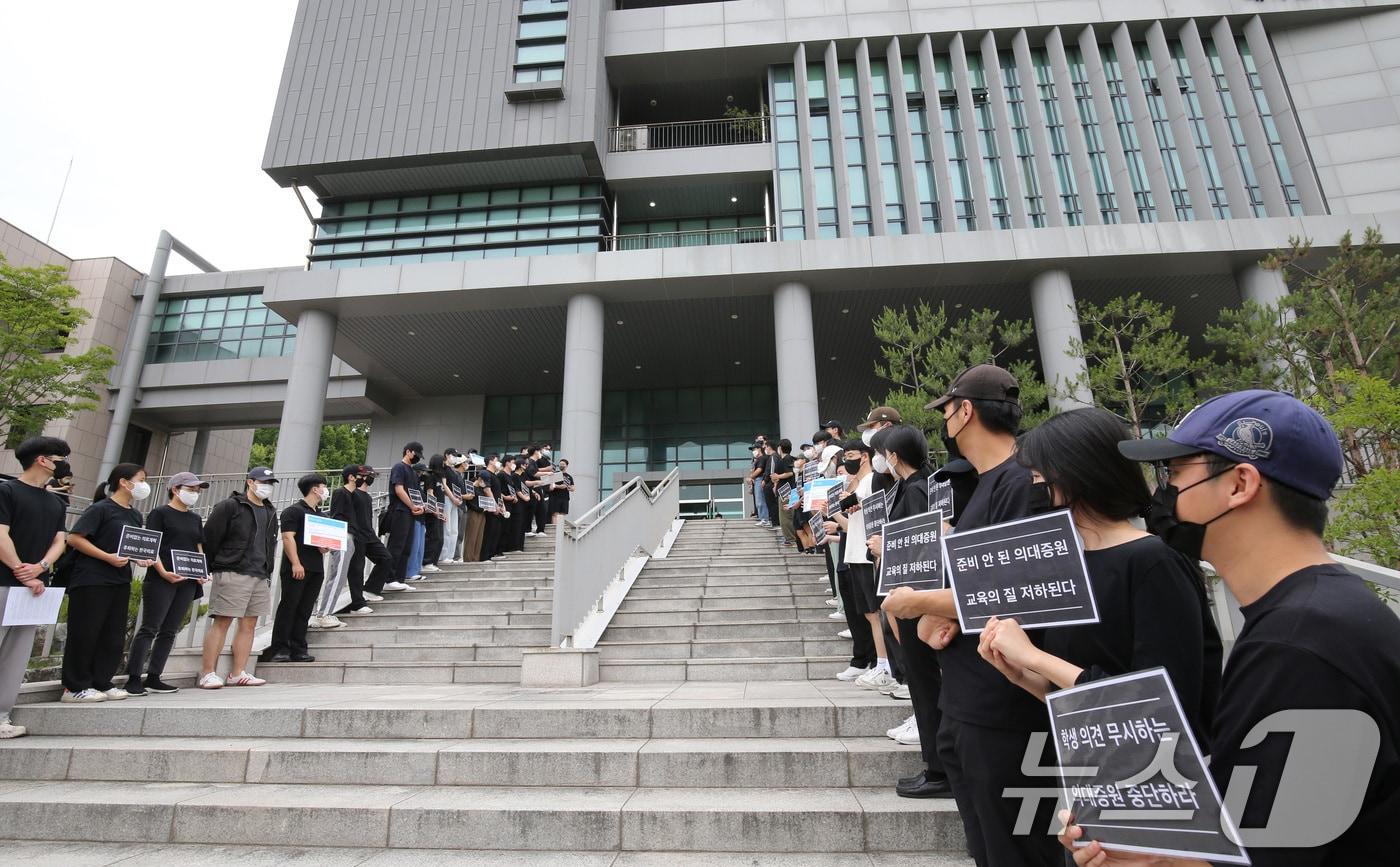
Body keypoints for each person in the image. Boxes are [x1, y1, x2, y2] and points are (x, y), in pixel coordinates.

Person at [1058, 390, 1400, 866]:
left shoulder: (1298, 647)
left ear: (1240, 484)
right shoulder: (1320, 616)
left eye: (1175, 473)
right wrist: (1149, 853)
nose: (1162, 493)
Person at [880, 364, 1061, 863]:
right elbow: (979, 584)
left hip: (1005, 703)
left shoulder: (1024, 484)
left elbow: (1017, 588)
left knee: (1018, 846)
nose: (944, 423)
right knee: (985, 840)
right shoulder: (986, 484)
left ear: (965, 411)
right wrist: (948, 613)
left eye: (946, 411)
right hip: (965, 697)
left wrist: (918, 604)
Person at [975, 408, 1221, 749]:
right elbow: (1083, 703)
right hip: (1094, 773)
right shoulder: (1071, 564)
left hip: (1157, 781)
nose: (1031, 489)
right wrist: (1021, 675)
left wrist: (1035, 658)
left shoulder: (1154, 562)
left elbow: (1159, 704)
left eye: (1035, 478)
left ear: (1072, 475)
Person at [863, 425, 952, 799]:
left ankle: (939, 769)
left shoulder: (916, 489)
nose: (879, 459)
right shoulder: (917, 486)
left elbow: (921, 546)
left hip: (917, 598)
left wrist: (886, 548)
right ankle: (936, 765)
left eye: (882, 452)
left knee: (924, 678)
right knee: (922, 678)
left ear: (894, 456)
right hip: (915, 597)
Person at [62, 462, 156, 703]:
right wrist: (106, 557)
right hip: (92, 578)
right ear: (124, 482)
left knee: (112, 635)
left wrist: (139, 558)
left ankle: (101, 681)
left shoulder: (134, 514)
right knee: (85, 631)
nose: (144, 485)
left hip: (119, 579)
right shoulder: (101, 509)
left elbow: (128, 545)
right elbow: (74, 538)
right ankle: (75, 686)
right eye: (141, 479)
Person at [0, 437, 70, 734]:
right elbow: (1, 534)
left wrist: (40, 568)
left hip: (34, 588)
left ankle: (2, 715)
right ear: (42, 459)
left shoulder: (55, 500)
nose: (62, 464)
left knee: (17, 655)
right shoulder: (6, 490)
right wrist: (20, 568)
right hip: (5, 581)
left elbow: (60, 540)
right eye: (58, 458)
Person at [125, 471, 210, 695]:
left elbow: (198, 545)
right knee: (149, 627)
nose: (195, 493)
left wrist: (201, 570)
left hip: (188, 579)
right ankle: (133, 677)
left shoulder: (194, 518)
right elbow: (152, 544)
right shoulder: (160, 513)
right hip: (161, 578)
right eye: (191, 489)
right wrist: (163, 571)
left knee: (170, 630)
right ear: (175, 489)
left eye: (197, 490)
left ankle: (154, 676)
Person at [198, 467, 280, 689]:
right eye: (263, 481)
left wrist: (267, 570)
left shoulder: (271, 511)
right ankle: (207, 673)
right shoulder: (230, 506)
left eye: (270, 482)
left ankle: (238, 673)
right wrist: (209, 566)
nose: (267, 486)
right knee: (223, 621)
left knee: (250, 624)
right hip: (233, 570)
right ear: (250, 482)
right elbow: (211, 538)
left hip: (259, 573)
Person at [829, 439, 881, 684]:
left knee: (874, 612)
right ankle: (877, 662)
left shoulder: (871, 481)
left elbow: (871, 518)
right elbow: (852, 526)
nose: (846, 461)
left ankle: (884, 664)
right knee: (868, 613)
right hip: (856, 554)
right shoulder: (857, 484)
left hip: (868, 554)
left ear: (863, 456)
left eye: (850, 455)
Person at [264, 474, 331, 663]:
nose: (326, 490)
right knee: (289, 606)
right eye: (323, 486)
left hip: (316, 567)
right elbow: (287, 537)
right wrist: (295, 562)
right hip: (296, 567)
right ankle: (280, 648)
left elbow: (322, 543)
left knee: (305, 609)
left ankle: (299, 648)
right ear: (314, 489)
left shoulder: (321, 515)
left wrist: (324, 546)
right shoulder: (293, 511)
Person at [316, 465, 362, 627]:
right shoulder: (340, 493)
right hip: (342, 535)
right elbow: (336, 516)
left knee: (340, 577)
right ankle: (324, 614)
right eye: (360, 475)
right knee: (338, 577)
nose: (363, 478)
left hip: (350, 537)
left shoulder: (354, 495)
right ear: (351, 477)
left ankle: (324, 613)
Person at [382, 442, 424, 591]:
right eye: (416, 454)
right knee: (396, 545)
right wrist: (413, 506)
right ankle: (389, 579)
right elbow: (399, 490)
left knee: (407, 546)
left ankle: (399, 578)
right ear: (408, 452)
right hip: (399, 511)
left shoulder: (412, 472)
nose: (417, 458)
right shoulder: (399, 467)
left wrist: (420, 506)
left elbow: (416, 494)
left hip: (410, 513)